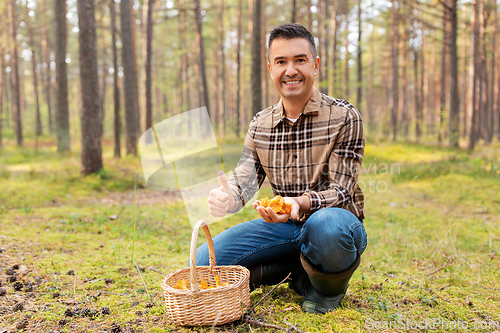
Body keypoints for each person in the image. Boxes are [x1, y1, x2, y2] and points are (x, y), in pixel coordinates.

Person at [197, 23, 367, 314]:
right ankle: (298, 271)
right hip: (284, 229)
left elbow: (341, 191)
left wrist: (299, 203)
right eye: (281, 62)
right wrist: (228, 197)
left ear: (315, 65)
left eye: (299, 60)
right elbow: (245, 181)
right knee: (202, 263)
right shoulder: (260, 124)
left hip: (336, 224)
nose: (291, 70)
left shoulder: (344, 116)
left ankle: (326, 290)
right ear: (270, 68)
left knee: (324, 227)